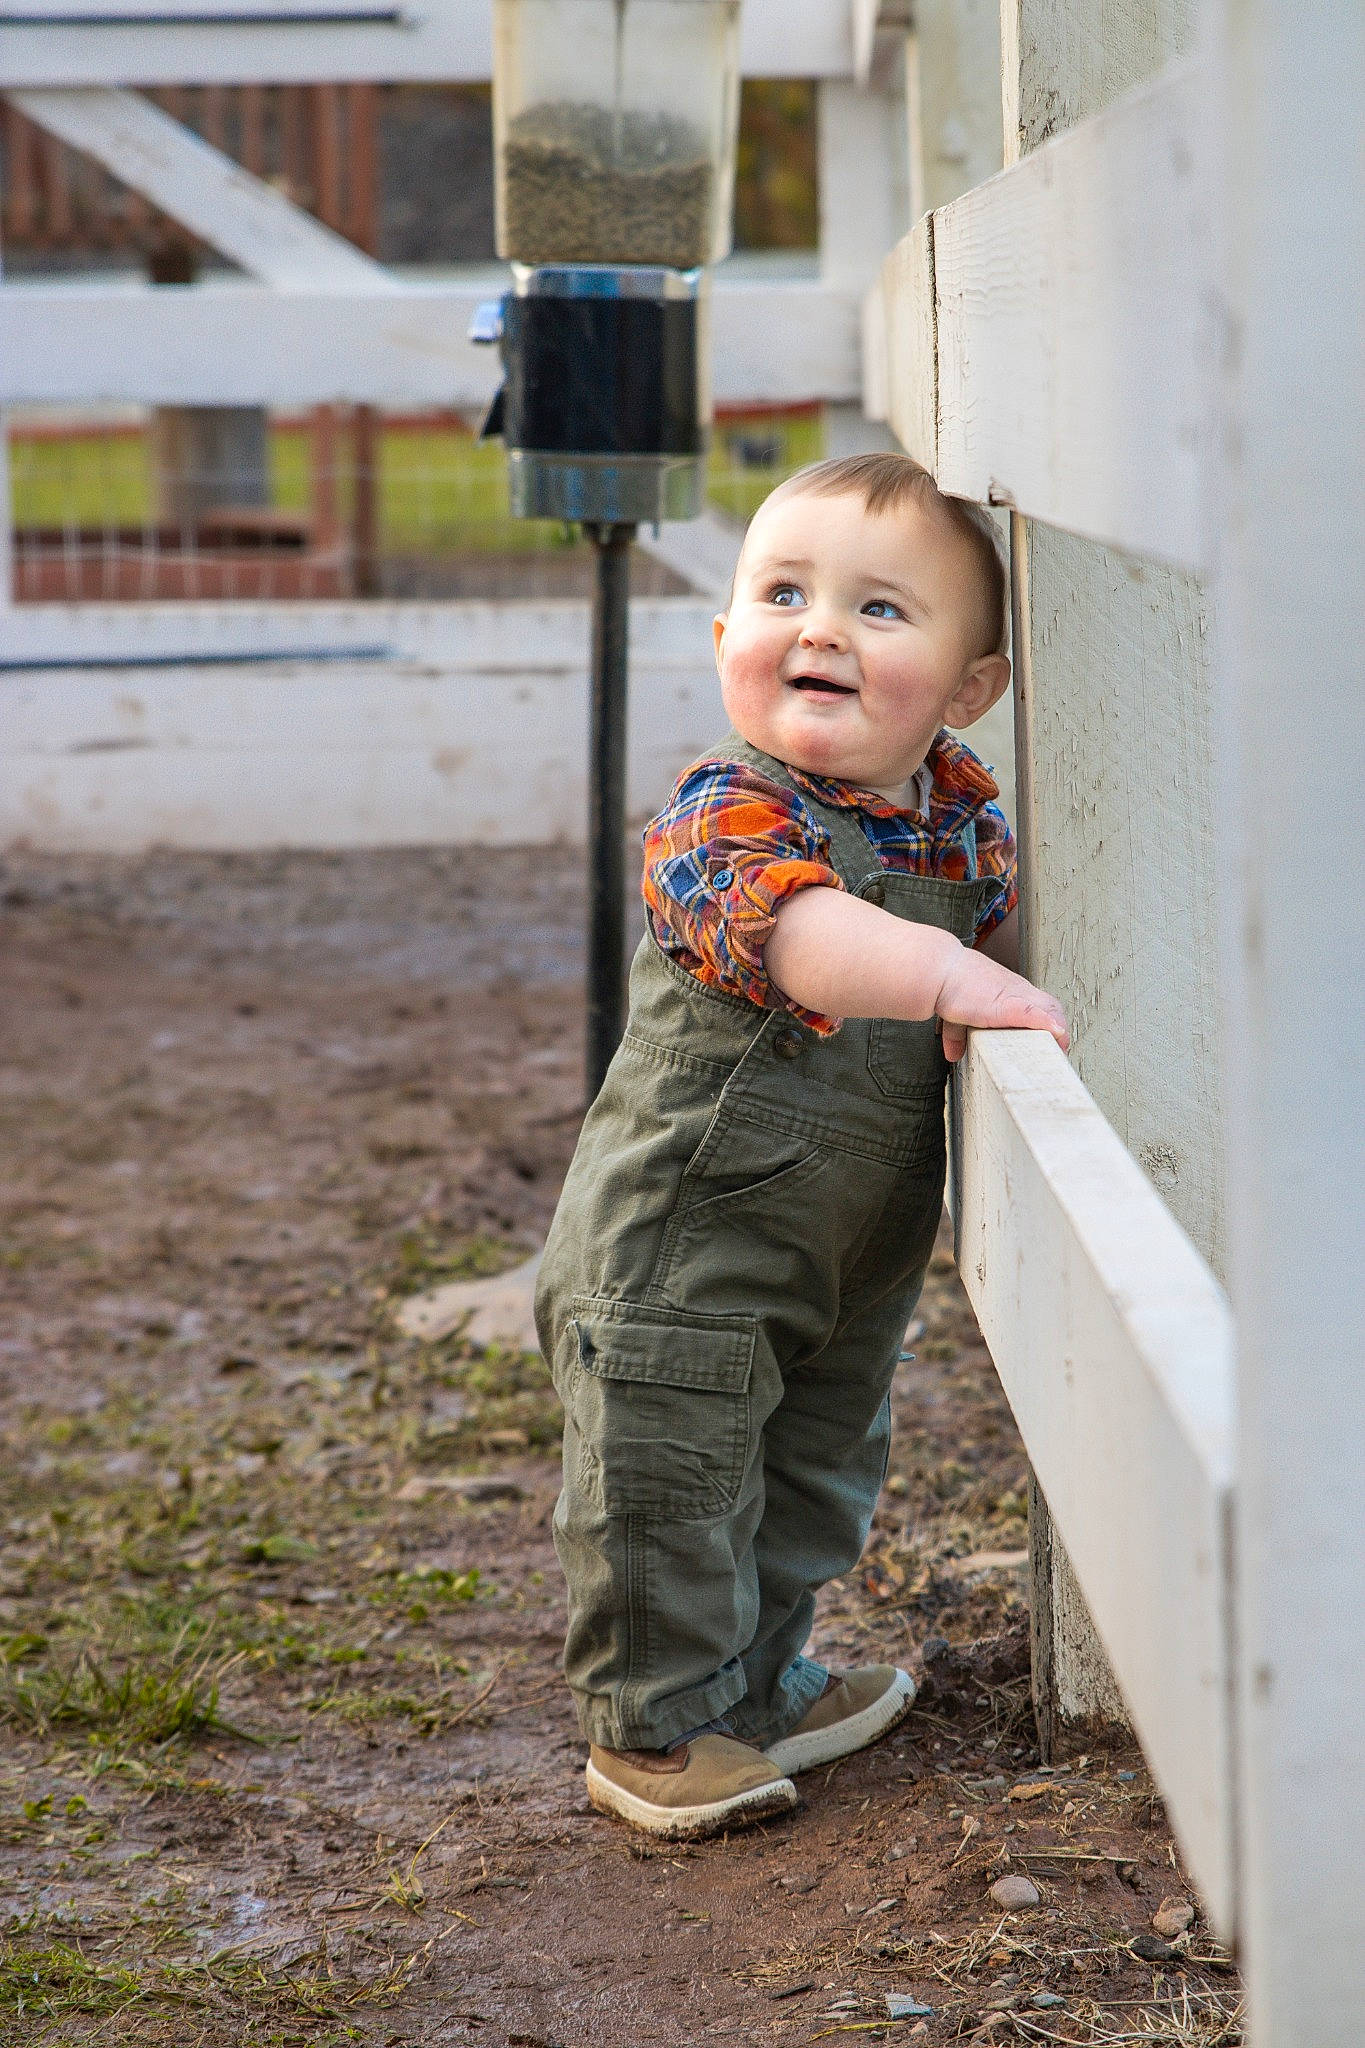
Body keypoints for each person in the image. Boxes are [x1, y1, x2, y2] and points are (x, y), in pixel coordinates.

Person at [535, 452, 1069, 1839]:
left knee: (810, 1468)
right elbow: (802, 934)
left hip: (847, 1244)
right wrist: (953, 981)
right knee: (674, 1475)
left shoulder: (958, 825)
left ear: (967, 692)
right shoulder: (725, 812)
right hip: (687, 1237)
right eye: (783, 593)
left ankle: (760, 1683)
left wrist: (1018, 974)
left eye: (879, 609)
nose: (819, 627)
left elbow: (1002, 930)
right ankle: (652, 1726)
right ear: (726, 643)